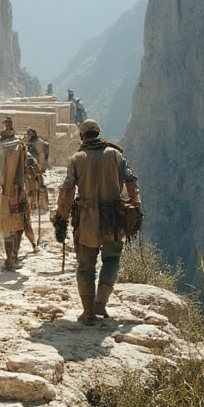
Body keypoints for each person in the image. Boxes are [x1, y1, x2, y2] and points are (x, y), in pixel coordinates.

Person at [51, 118, 140, 325]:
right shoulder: (116, 155)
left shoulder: (77, 159)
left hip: (87, 221)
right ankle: (101, 304)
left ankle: (88, 312)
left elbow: (67, 190)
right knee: (111, 259)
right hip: (114, 220)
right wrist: (135, 206)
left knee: (85, 266)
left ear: (82, 136)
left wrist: (61, 218)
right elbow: (131, 180)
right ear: (98, 133)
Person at [0, 116, 32, 269]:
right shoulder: (20, 146)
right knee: (18, 225)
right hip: (16, 192)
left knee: (6, 227)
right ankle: (13, 257)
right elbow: (26, 169)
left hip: (0, 193)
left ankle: (10, 259)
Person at [23, 127, 50, 212]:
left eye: (30, 133)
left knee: (38, 185)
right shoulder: (29, 142)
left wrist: (41, 167)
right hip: (30, 166)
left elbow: (41, 155)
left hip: (36, 167)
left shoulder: (38, 142)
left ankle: (41, 205)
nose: (28, 135)